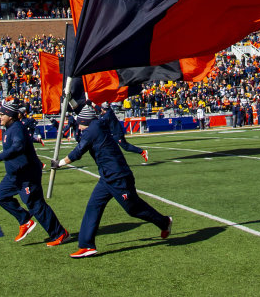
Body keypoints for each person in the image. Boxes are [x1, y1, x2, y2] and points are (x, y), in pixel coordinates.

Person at [52, 103, 172, 258]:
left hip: (118, 177)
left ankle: (164, 222)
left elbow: (77, 152)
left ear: (85, 122)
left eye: (80, 124)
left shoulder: (92, 131)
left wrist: (59, 163)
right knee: (93, 206)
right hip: (107, 177)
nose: (79, 127)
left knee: (133, 209)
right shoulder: (95, 125)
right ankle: (87, 245)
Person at [0, 98, 68, 247]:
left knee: (36, 204)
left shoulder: (16, 129)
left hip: (27, 175)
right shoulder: (10, 128)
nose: (0, 116)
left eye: (2, 114)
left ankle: (59, 233)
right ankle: (25, 220)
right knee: (1, 196)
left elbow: (18, 147)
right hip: (14, 175)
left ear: (10, 115)